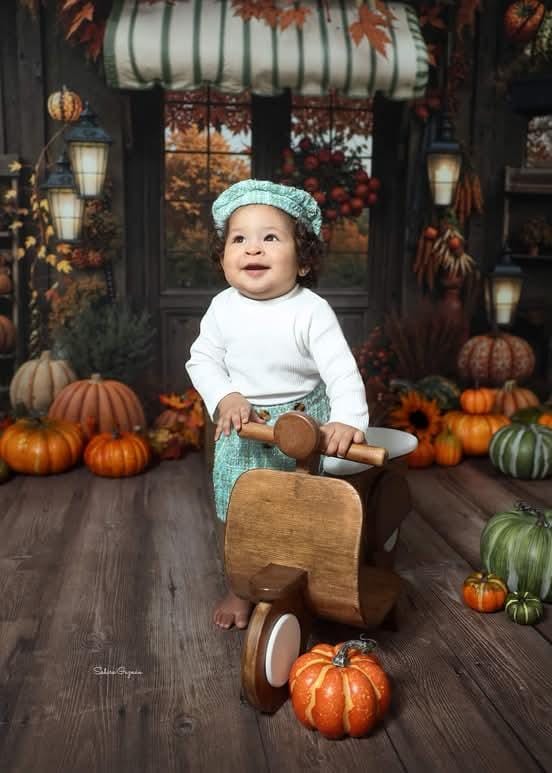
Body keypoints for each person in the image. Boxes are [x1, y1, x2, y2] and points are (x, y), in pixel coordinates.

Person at [185, 179, 369, 630]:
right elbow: (202, 360)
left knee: (302, 508)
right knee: (237, 509)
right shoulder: (222, 309)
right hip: (244, 426)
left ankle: (311, 576)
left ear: (303, 260)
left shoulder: (311, 311)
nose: (253, 249)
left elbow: (341, 372)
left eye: (270, 237)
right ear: (224, 256)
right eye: (239, 238)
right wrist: (225, 395)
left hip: (303, 424)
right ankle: (240, 585)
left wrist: (347, 421)